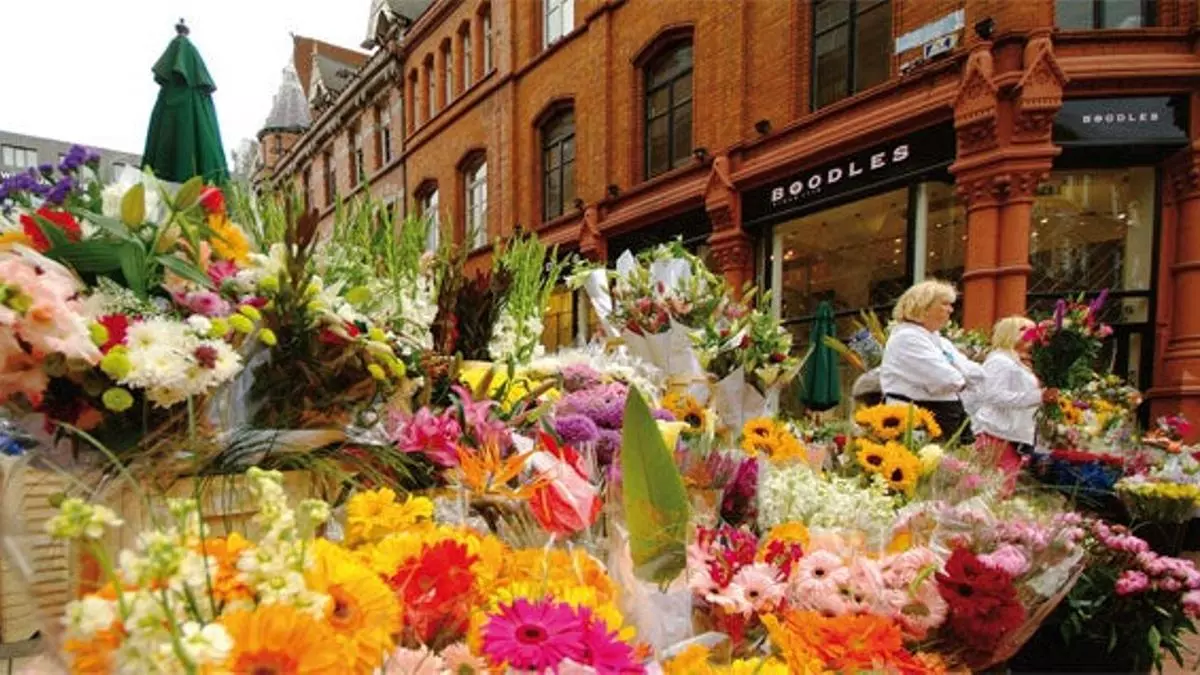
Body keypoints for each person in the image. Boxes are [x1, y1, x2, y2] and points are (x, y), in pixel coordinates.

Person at [880, 280, 983, 443]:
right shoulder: (907, 338)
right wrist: (961, 378)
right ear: (924, 306)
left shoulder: (939, 341)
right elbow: (946, 379)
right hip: (918, 418)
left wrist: (960, 377)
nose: (951, 310)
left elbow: (977, 374)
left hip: (947, 416)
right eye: (945, 304)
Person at [971, 316, 1058, 490]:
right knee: (992, 488)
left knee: (1001, 487)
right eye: (1025, 330)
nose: (1032, 335)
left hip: (1011, 435)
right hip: (997, 432)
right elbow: (993, 395)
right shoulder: (1000, 361)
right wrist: (1038, 397)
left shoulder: (1018, 362)